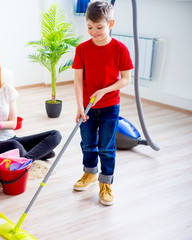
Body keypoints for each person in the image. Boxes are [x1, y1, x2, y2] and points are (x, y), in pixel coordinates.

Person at [72, 1, 133, 206]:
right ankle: (89, 173)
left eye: (99, 27)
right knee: (87, 143)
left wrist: (104, 91)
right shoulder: (82, 49)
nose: (93, 31)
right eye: (89, 27)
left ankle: (105, 183)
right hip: (87, 107)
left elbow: (125, 79)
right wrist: (80, 106)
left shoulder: (119, 49)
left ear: (110, 24)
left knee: (106, 147)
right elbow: (78, 80)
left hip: (109, 106)